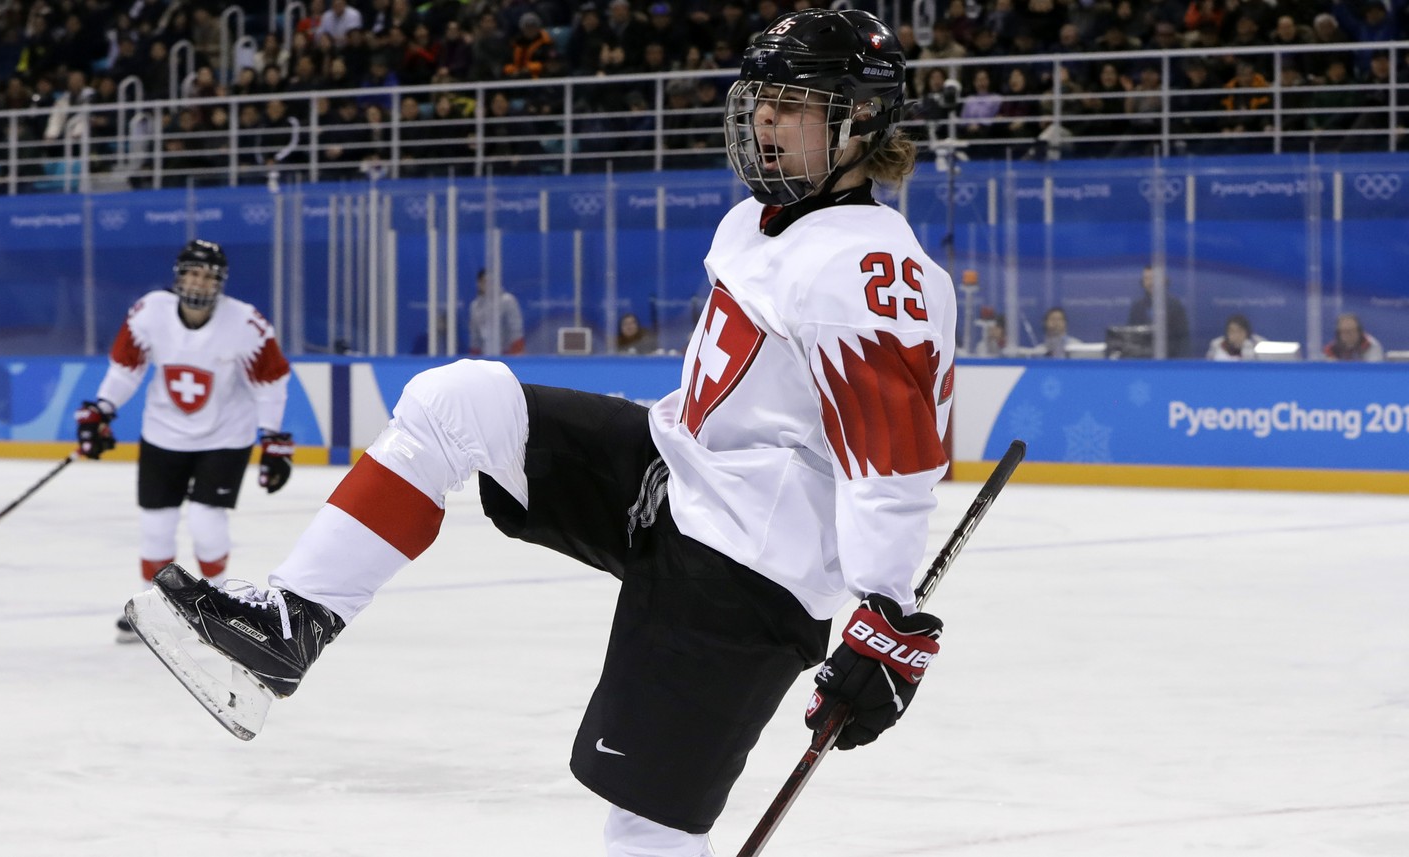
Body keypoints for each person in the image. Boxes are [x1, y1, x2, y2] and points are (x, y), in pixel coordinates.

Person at [125, 12, 954, 857]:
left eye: (793, 103)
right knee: (459, 402)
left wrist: (885, 613)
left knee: (647, 823)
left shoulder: (872, 270)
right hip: (673, 482)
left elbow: (894, 461)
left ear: (860, 120)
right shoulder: (756, 221)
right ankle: (287, 627)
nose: (766, 121)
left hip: (749, 569)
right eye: (762, 101)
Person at [77, 239, 294, 643]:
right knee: (156, 526)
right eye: (193, 272)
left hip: (225, 435)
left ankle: (215, 609)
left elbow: (271, 381)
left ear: (220, 282)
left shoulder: (246, 324)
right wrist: (103, 407)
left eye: (209, 275)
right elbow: (126, 368)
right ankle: (154, 607)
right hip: (163, 433)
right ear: (179, 275)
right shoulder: (149, 313)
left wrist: (273, 439)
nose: (200, 281)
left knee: (206, 521)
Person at [1127, 266, 1190, 358]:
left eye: (1154, 278)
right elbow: (1129, 338)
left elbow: (1183, 339)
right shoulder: (1137, 307)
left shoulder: (1175, 306)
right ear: (1142, 282)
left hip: (1171, 363)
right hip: (1142, 364)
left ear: (1164, 280)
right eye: (1147, 279)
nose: (1151, 282)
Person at [468, 268, 526, 355]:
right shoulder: (475, 306)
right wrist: (474, 357)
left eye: (491, 281)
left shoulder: (507, 301)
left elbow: (515, 330)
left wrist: (516, 353)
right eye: (484, 282)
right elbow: (475, 336)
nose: (488, 285)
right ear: (479, 284)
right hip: (486, 355)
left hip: (507, 355)